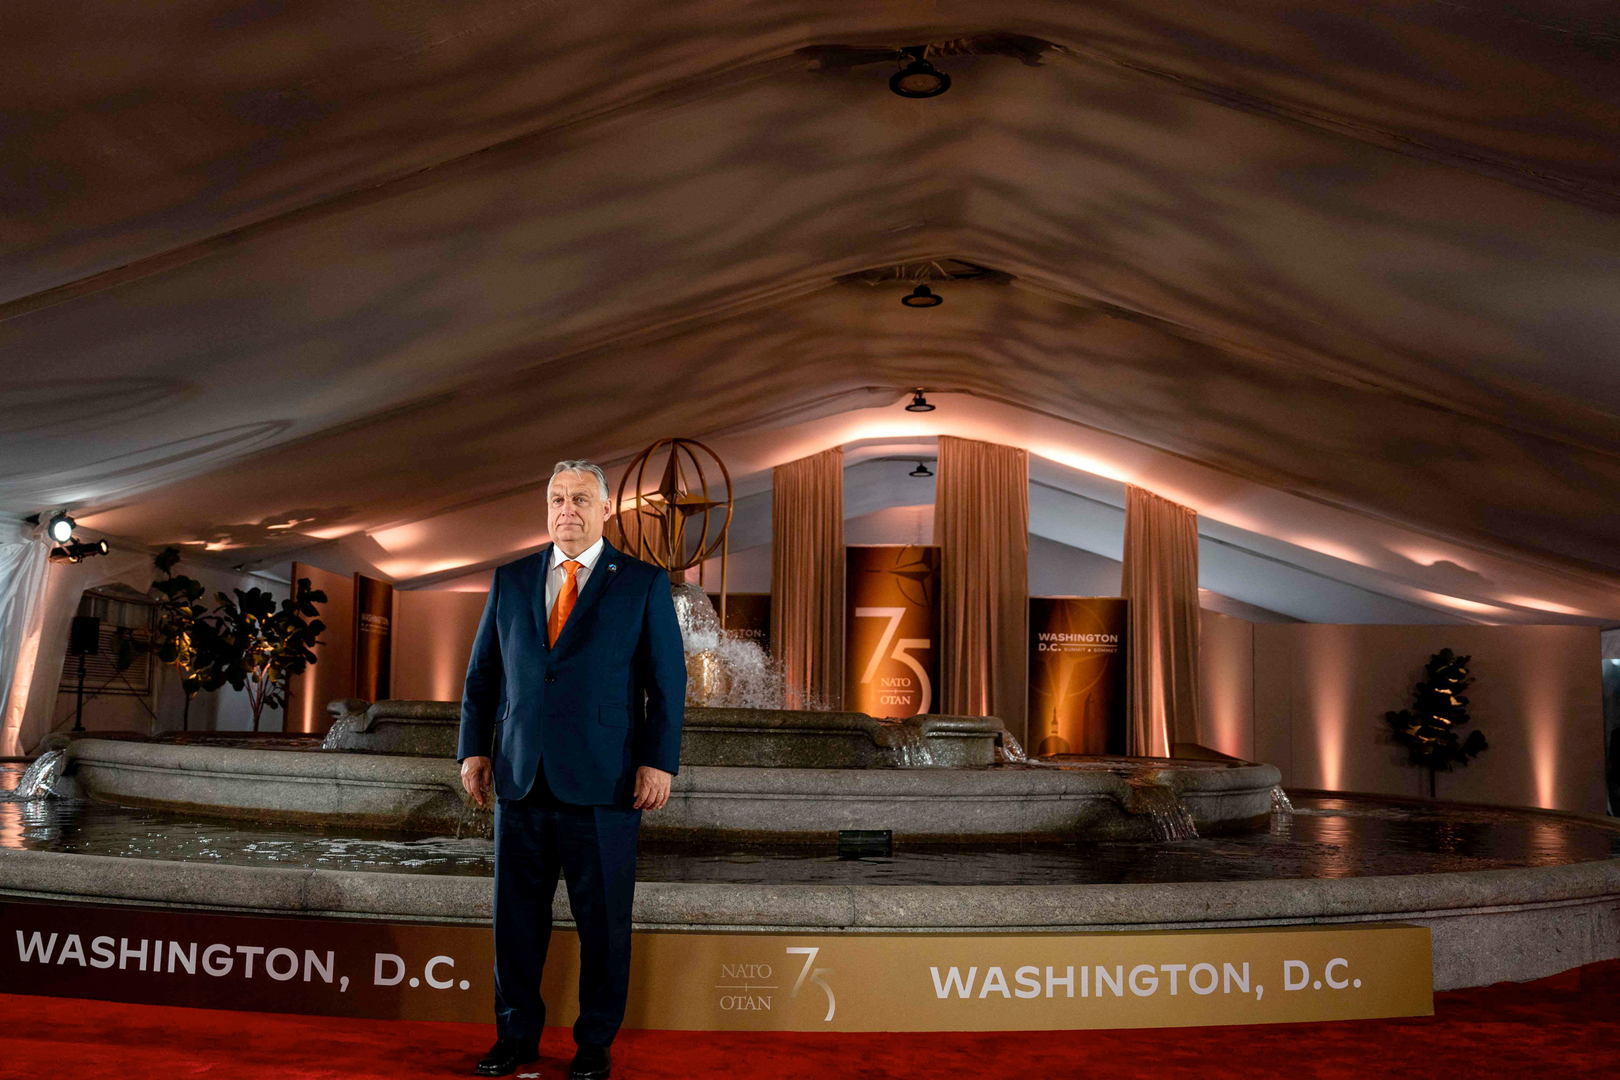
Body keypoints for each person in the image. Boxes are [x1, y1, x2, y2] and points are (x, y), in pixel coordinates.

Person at [458, 459, 686, 1079]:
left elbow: (667, 684)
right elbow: (482, 676)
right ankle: (516, 1036)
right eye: (557, 499)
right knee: (515, 922)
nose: (567, 510)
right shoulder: (510, 579)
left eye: (581, 499)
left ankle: (594, 1043)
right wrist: (474, 749)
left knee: (604, 924)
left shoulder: (641, 583)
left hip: (606, 781)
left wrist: (658, 762)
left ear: (606, 509)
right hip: (520, 776)